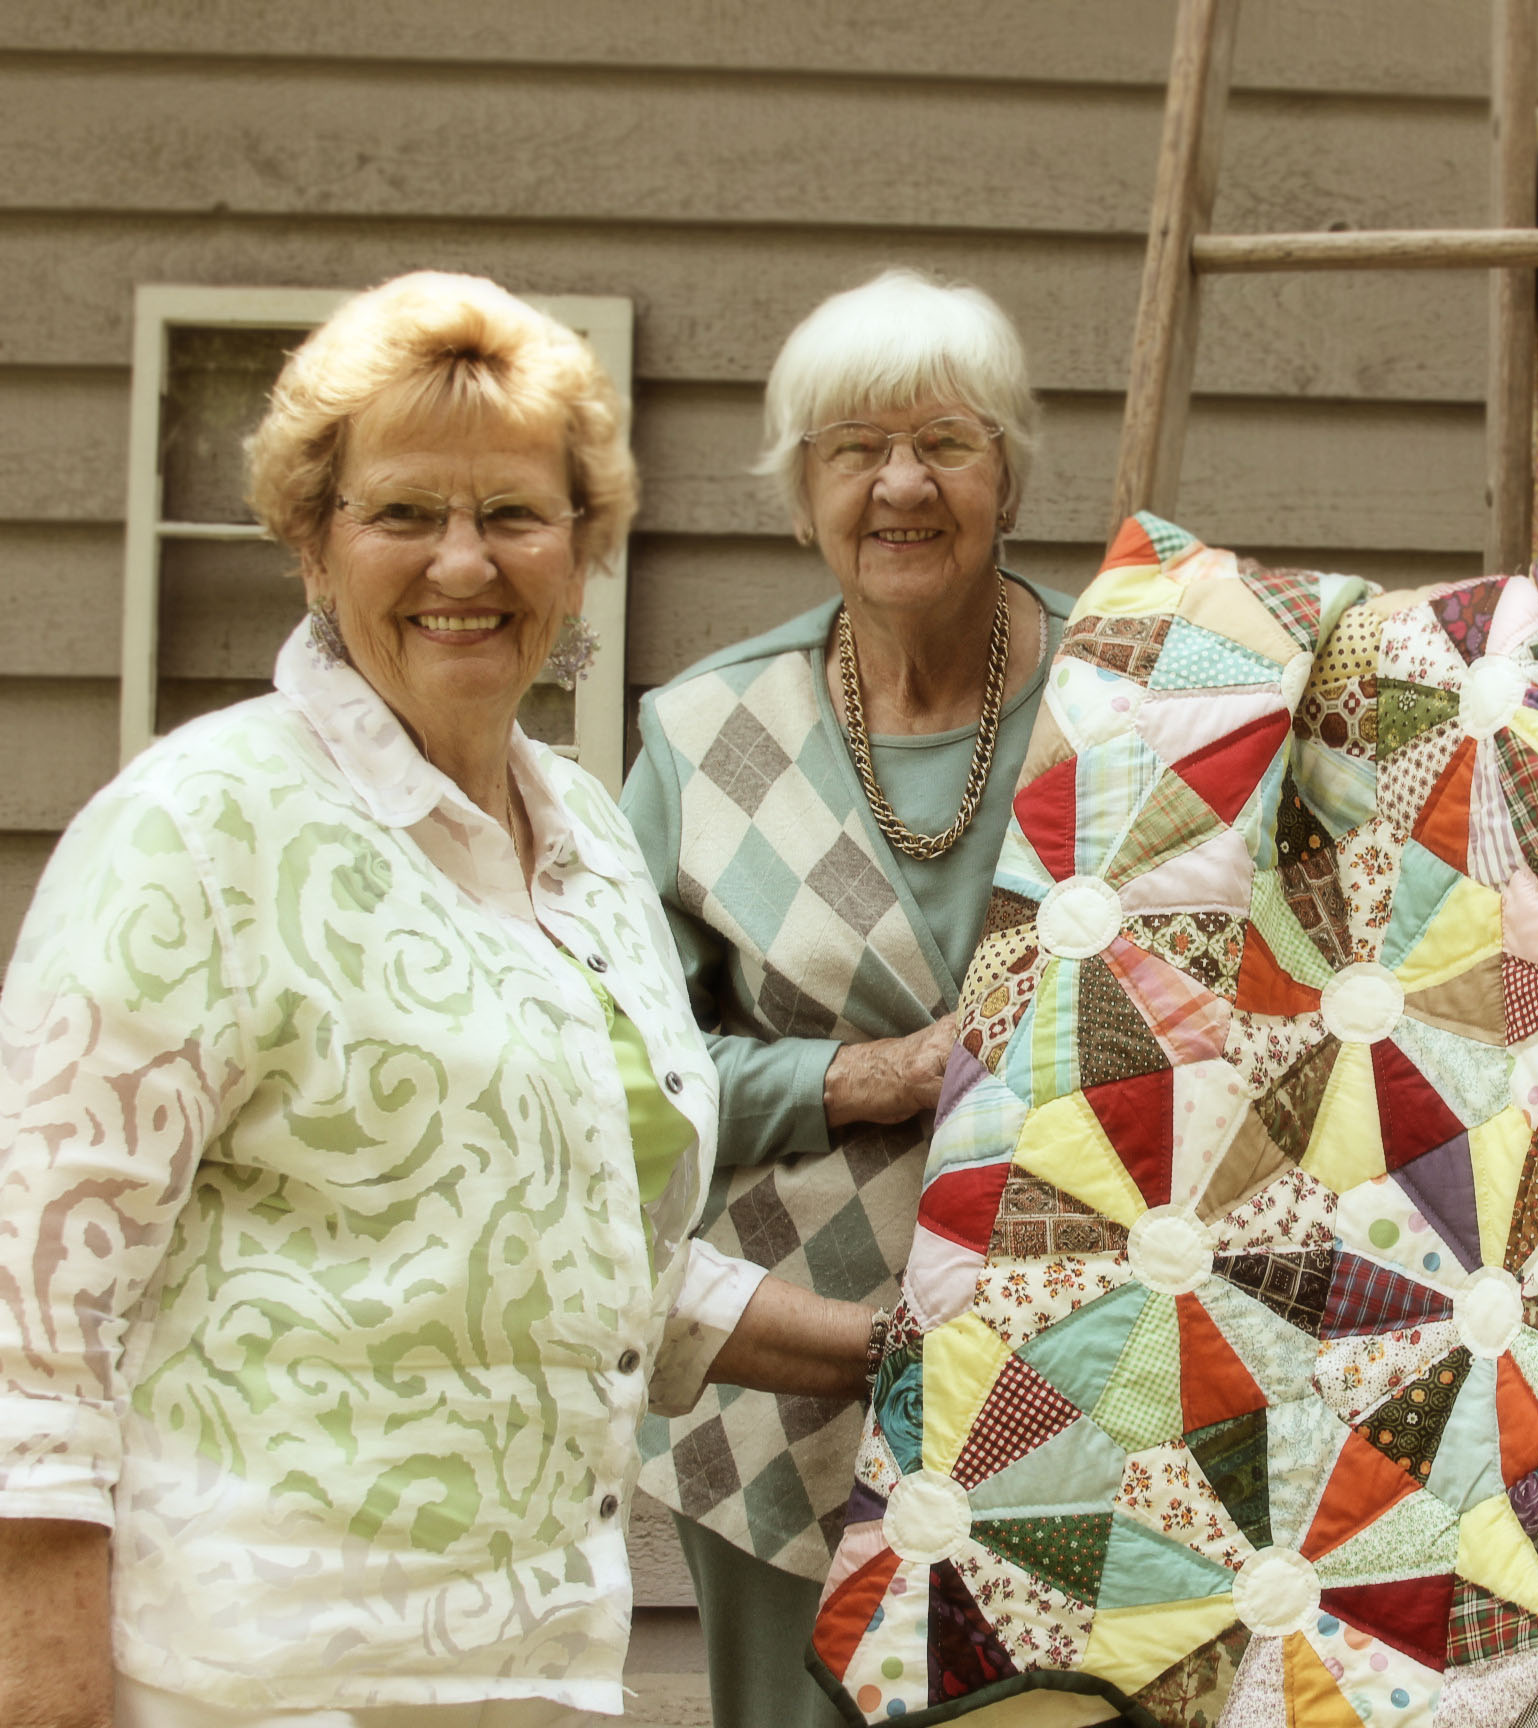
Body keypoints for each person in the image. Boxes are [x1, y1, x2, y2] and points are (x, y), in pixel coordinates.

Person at [0, 272, 891, 1728]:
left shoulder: (588, 839)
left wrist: (897, 1353)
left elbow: (589, 1259)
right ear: (313, 541)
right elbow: (32, 1334)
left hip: (538, 1670)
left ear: (582, 550)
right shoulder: (202, 826)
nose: (462, 562)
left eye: (514, 515)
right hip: (258, 1681)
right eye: (404, 512)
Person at [622, 268, 1070, 1728]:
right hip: (786, 1382)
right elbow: (615, 1072)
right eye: (855, 448)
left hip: (1091, 1366)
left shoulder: (1134, 704)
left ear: (1008, 474)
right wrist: (862, 1077)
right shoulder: (704, 733)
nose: (902, 484)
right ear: (800, 488)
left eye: (946, 442)